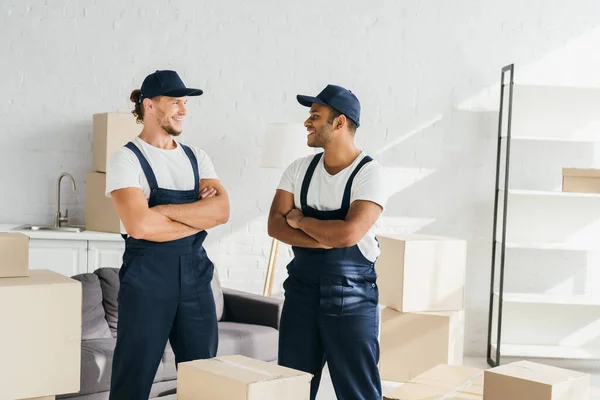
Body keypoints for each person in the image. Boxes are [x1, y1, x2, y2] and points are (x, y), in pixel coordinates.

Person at [105, 70, 229, 400]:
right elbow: (139, 226)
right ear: (149, 105)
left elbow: (221, 212)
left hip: (196, 276)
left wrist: (161, 211)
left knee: (204, 378)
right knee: (133, 378)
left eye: (185, 103)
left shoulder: (197, 158)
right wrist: (196, 216)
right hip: (147, 280)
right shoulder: (125, 160)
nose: (184, 110)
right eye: (175, 102)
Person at [268, 84, 388, 400]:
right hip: (301, 292)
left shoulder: (369, 174)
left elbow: (349, 234)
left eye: (315, 116)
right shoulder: (298, 169)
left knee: (358, 392)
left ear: (339, 123)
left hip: (352, 297)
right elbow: (274, 226)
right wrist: (324, 236)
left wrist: (300, 220)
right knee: (290, 389)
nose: (307, 122)